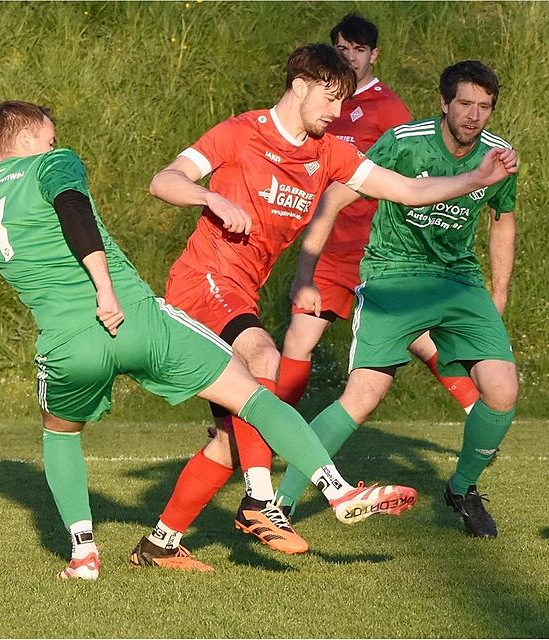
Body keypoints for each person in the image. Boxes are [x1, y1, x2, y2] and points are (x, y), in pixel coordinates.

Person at [0, 101, 420, 579]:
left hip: (67, 344)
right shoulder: (52, 162)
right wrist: (103, 288)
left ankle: (83, 556)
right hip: (134, 318)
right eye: (50, 138)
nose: (55, 146)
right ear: (30, 139)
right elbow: (72, 208)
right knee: (250, 393)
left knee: (60, 435)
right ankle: (336, 490)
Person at [148, 45, 517, 555]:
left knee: (232, 438)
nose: (337, 112)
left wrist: (476, 179)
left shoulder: (328, 153)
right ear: (299, 84)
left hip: (240, 291)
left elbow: (407, 191)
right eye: (330, 97)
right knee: (265, 357)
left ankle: (161, 543)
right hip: (201, 281)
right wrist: (208, 195)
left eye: (345, 100)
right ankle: (264, 502)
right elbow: (163, 180)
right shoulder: (240, 133)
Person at [275, 60, 519, 539]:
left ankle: (462, 487)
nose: (473, 115)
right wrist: (306, 271)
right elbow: (335, 197)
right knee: (364, 395)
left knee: (503, 390)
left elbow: (502, 216)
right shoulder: (405, 143)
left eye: (484, 107)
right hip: (393, 274)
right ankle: (276, 505)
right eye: (465, 103)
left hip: (458, 280)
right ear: (444, 103)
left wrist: (499, 291)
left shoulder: (498, 156)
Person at [277, 13, 481, 415]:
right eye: (342, 49)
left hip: (376, 249)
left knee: (420, 337)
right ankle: (273, 427)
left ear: (374, 55)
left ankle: (480, 412)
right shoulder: (321, 101)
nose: (350, 57)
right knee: (298, 339)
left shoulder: (388, 110)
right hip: (330, 250)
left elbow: (417, 171)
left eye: (358, 49)